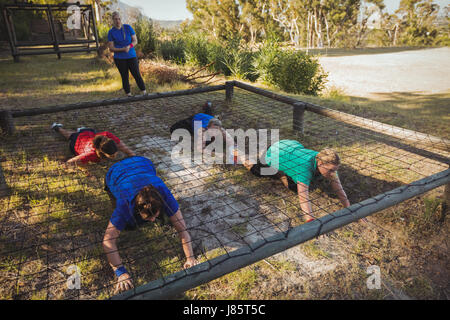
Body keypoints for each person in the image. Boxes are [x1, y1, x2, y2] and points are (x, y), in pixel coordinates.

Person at [102, 156, 198, 293]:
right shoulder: (124, 204)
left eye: (155, 215)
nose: (153, 221)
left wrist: (190, 258)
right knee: (129, 226)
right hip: (114, 172)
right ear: (136, 208)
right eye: (149, 217)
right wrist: (120, 272)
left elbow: (183, 231)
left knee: (169, 218)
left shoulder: (164, 193)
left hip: (142, 162)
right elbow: (108, 241)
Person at [240, 139, 350, 222]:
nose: (333, 174)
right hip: (274, 152)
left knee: (294, 187)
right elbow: (303, 197)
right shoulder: (304, 168)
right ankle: (236, 151)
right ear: (320, 163)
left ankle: (282, 171)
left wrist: (350, 210)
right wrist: (311, 221)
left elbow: (339, 189)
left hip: (290, 145)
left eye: (334, 170)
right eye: (330, 170)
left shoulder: (323, 158)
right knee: (256, 171)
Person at [170, 101, 236, 164]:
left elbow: (232, 143)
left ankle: (208, 107)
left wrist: (234, 153)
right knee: (173, 129)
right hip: (196, 119)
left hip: (209, 119)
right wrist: (220, 155)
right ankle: (207, 107)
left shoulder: (222, 130)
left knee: (209, 119)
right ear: (207, 128)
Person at [51, 123, 135, 165]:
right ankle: (57, 128)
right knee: (69, 135)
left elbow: (121, 145)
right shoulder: (91, 154)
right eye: (112, 155)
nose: (115, 156)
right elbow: (71, 161)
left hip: (87, 135)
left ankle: (81, 130)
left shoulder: (106, 135)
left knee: (90, 131)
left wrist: (132, 154)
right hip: (75, 145)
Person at [107, 11, 147, 97]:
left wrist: (129, 46)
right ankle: (128, 95)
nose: (117, 21)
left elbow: (135, 40)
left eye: (119, 19)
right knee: (124, 76)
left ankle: (144, 92)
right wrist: (122, 49)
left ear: (121, 19)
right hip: (119, 58)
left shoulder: (128, 27)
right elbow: (111, 48)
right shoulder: (111, 32)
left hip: (131, 56)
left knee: (136, 74)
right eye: (115, 19)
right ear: (112, 20)